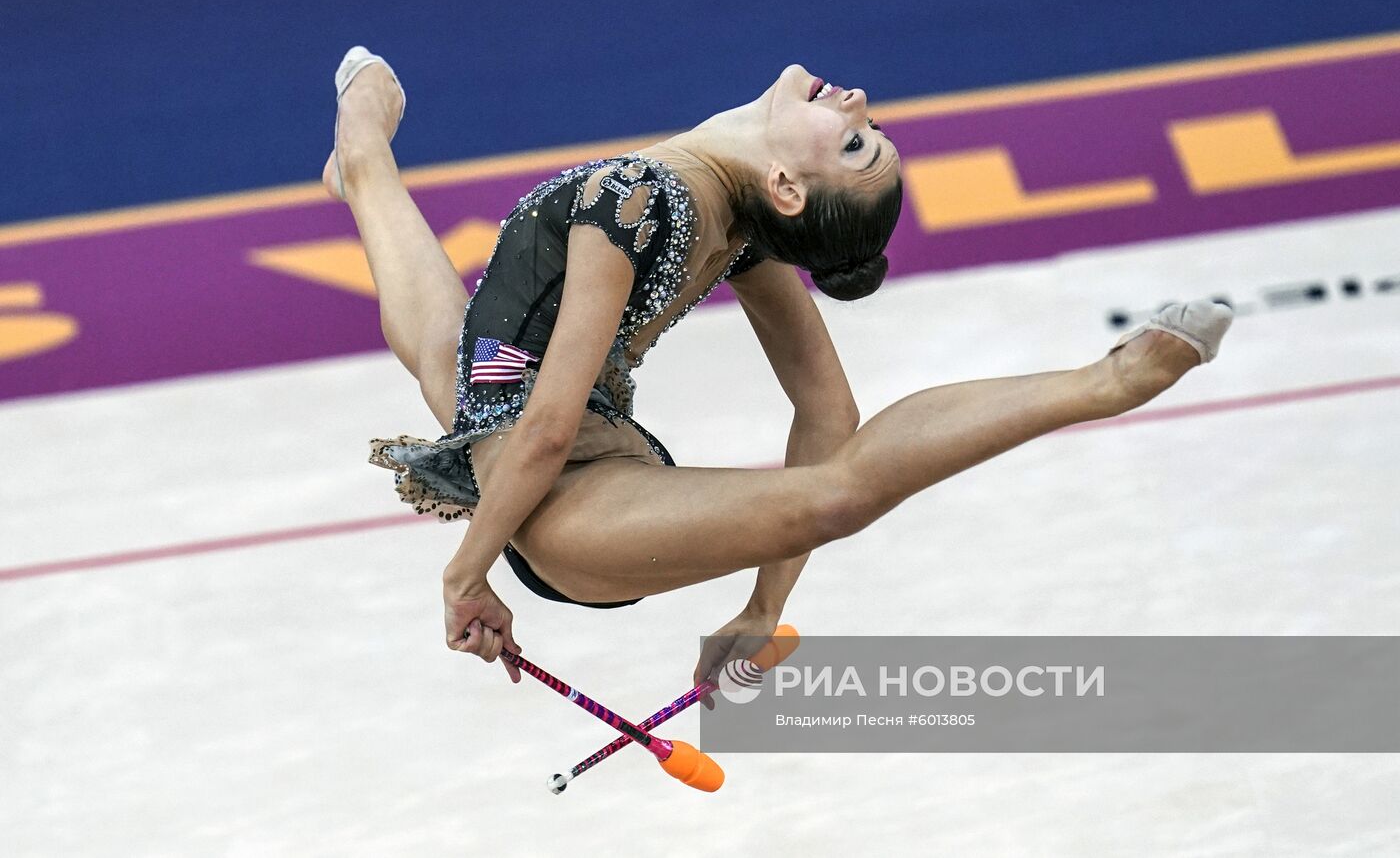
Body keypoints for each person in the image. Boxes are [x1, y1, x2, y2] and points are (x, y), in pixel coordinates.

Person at [324, 46, 1233, 690]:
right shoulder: (741, 222)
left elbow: (554, 429)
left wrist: (465, 573)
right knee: (449, 346)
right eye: (863, 129)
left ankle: (1108, 382)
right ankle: (361, 145)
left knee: (833, 495)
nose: (856, 101)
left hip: (576, 503)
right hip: (538, 446)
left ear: (791, 189)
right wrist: (760, 608)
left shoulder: (637, 201)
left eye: (853, 142)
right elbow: (823, 407)